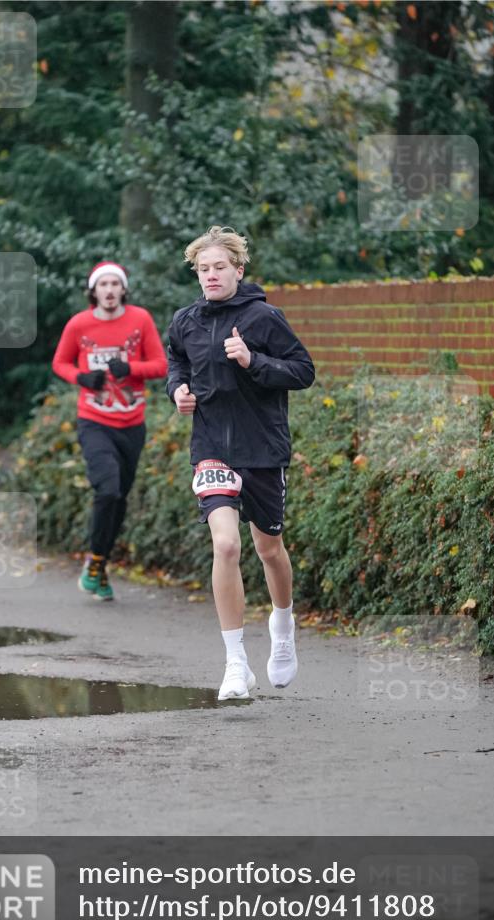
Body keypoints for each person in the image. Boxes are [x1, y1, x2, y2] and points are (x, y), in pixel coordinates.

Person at [166, 226, 315, 700]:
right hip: (211, 447)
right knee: (226, 546)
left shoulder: (264, 317)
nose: (210, 276)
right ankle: (235, 664)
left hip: (262, 450)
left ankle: (283, 627)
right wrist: (177, 391)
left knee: (269, 549)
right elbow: (177, 362)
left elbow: (303, 371)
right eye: (203, 269)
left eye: (218, 268)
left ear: (238, 270)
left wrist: (254, 361)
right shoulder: (185, 321)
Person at [53, 261, 167, 600]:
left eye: (115, 284)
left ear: (123, 290)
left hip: (132, 423)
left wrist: (131, 368)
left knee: (120, 498)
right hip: (94, 420)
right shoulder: (79, 324)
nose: (109, 290)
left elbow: (161, 365)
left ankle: (99, 566)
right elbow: (60, 362)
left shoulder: (140, 319)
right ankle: (95, 562)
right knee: (108, 488)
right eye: (103, 284)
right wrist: (82, 378)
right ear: (94, 291)